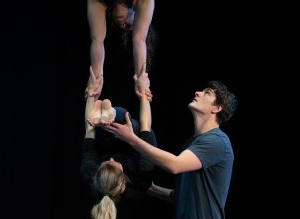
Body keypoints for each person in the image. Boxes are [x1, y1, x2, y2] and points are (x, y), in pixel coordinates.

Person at [104, 80, 238, 219]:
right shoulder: (191, 144)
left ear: (216, 108)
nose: (197, 93)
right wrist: (149, 188)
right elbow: (180, 196)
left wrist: (131, 139)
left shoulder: (217, 141)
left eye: (207, 93)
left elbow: (175, 165)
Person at [80, 66, 156, 219]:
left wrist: (91, 93)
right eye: (114, 164)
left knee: (97, 124)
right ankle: (110, 113)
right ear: (124, 178)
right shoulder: (140, 176)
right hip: (135, 140)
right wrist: (143, 93)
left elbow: (89, 131)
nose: (112, 159)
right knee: (122, 116)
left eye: (106, 162)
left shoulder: (89, 172)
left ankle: (104, 114)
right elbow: (145, 126)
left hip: (108, 139)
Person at [86, 0, 155, 101]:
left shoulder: (100, 2)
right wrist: (141, 78)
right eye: (128, 25)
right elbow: (139, 40)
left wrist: (95, 84)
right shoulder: (144, 1)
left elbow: (97, 41)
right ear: (136, 11)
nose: (122, 25)